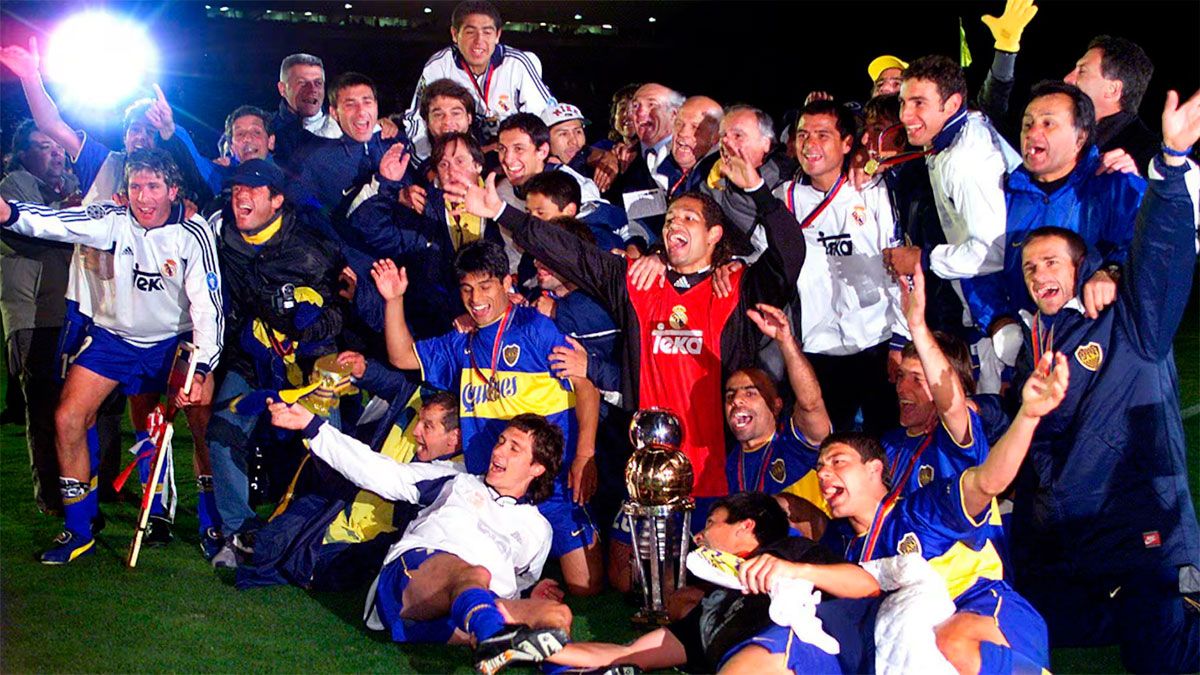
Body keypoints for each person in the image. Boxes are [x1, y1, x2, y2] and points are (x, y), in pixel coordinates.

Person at [1005, 90, 1200, 673]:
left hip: (1144, 529)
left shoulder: (1128, 318)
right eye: (1030, 267)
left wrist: (1171, 164)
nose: (1039, 273)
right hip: (1075, 538)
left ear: (1082, 267)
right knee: (1024, 623)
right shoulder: (1033, 346)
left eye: (1052, 262)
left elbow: (1161, 252)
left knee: (1162, 658)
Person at [0, 148, 223, 564]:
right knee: (68, 417)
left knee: (202, 419)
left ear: (173, 190)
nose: (143, 196)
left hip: (173, 342)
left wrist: (201, 366)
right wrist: (9, 213)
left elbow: (208, 309)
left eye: (153, 186)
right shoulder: (112, 219)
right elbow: (57, 223)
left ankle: (213, 520)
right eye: (136, 186)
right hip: (114, 340)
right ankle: (79, 526)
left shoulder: (194, 232)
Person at [372, 240, 604, 596]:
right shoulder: (461, 343)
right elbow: (402, 356)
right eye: (467, 288)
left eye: (485, 286)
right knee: (477, 578)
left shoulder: (535, 330)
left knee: (586, 585)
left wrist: (585, 456)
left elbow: (586, 386)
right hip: (491, 491)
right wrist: (393, 300)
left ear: (507, 283)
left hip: (550, 484)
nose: (476, 298)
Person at [820, 342, 1069, 673]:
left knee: (952, 639)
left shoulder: (949, 451)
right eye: (900, 377)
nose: (901, 387)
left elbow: (986, 479)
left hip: (976, 600)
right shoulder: (889, 449)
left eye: (917, 378)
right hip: (917, 616)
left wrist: (1027, 416)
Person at [268, 402, 571, 674]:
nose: (498, 451)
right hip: (412, 583)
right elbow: (380, 472)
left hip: (463, 613)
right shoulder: (455, 480)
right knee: (474, 574)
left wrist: (532, 593)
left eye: (514, 448)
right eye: (501, 441)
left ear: (537, 467)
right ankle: (492, 638)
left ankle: (559, 666)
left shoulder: (538, 530)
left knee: (556, 615)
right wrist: (313, 427)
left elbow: (518, 583)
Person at [543, 492, 878, 674]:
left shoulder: (787, 552)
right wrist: (547, 649)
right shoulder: (711, 608)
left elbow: (866, 584)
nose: (699, 535)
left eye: (710, 523)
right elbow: (631, 653)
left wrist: (796, 570)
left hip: (794, 649)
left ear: (745, 526)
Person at [203, 158, 346, 566]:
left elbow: (339, 312)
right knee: (222, 432)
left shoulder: (311, 247)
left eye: (252, 190)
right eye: (236, 190)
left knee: (329, 442)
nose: (241, 197)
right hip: (252, 359)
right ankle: (239, 531)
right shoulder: (220, 237)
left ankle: (331, 528)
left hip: (311, 362)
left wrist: (305, 328)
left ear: (277, 200)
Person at [883, 55, 1020, 395]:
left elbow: (993, 252)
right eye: (903, 102)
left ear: (953, 104)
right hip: (982, 309)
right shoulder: (950, 138)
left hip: (1002, 313)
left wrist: (922, 259)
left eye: (919, 103)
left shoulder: (966, 160)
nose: (905, 116)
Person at [775, 99, 906, 434]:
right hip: (819, 348)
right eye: (803, 135)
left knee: (885, 442)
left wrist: (900, 340)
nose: (810, 144)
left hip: (876, 341)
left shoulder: (872, 189)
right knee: (828, 447)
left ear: (848, 143)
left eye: (822, 135)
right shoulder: (784, 197)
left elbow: (898, 267)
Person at [998, 80, 1144, 320]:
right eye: (1027, 124)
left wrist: (1112, 271)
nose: (1032, 133)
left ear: (1080, 137)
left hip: (1098, 335)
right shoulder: (1003, 193)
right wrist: (999, 322)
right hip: (1024, 337)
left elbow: (1150, 245)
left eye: (1048, 124)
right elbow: (982, 267)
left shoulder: (1115, 185)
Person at [0, 120, 79, 514]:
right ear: (23, 154)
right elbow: (27, 234)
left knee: (76, 407)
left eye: (57, 147)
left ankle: (87, 484)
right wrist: (69, 212)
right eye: (44, 147)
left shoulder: (69, 186)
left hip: (71, 310)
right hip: (33, 314)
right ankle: (51, 494)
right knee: (44, 406)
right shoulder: (13, 185)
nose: (56, 153)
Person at [726, 303, 831, 529]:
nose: (736, 400)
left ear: (776, 406)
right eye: (730, 395)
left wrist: (785, 343)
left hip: (809, 549)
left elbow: (811, 404)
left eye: (750, 393)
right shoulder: (725, 462)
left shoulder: (795, 444)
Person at [402, 1, 554, 150]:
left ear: (497, 35)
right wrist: (428, 161)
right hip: (459, 155)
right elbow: (417, 118)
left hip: (508, 152)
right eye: (470, 32)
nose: (479, 41)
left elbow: (543, 115)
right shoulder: (438, 65)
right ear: (455, 34)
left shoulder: (518, 64)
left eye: (487, 32)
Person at [699, 105, 795, 260]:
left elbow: (789, 248)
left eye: (738, 136)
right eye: (723, 135)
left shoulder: (789, 183)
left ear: (765, 143)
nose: (726, 142)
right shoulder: (709, 180)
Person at [668, 96, 724, 199]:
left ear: (715, 137)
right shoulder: (658, 163)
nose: (683, 133)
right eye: (679, 124)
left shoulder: (722, 176)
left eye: (696, 127)